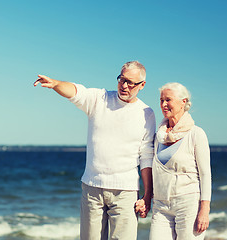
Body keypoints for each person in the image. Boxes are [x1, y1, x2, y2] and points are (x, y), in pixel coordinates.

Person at [34, 61, 156, 240]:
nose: (124, 86)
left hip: (125, 192)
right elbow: (77, 91)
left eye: (130, 82)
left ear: (142, 85)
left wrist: (148, 195)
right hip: (92, 188)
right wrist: (55, 84)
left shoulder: (146, 113)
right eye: (121, 79)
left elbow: (146, 156)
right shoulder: (100, 99)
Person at [136, 82, 211, 240]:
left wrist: (204, 209)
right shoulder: (159, 136)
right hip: (161, 205)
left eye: (168, 100)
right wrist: (147, 198)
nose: (163, 104)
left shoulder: (196, 134)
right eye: (161, 100)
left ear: (183, 101)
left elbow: (205, 175)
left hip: (188, 204)